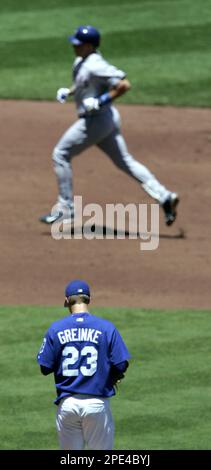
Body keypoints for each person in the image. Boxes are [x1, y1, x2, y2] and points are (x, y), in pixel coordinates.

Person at [40, 25, 179, 227]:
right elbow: (84, 83)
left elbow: (124, 85)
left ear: (89, 46)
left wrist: (101, 100)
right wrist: (69, 92)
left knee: (60, 154)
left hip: (95, 121)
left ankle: (66, 209)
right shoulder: (82, 60)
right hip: (106, 120)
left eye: (78, 44)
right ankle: (165, 196)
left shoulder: (96, 64)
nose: (74, 47)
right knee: (125, 161)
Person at [37, 279, 130, 450]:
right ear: (89, 300)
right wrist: (113, 377)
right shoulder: (106, 328)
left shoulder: (56, 329)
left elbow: (45, 367)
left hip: (68, 405)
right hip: (96, 404)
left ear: (66, 301)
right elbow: (121, 364)